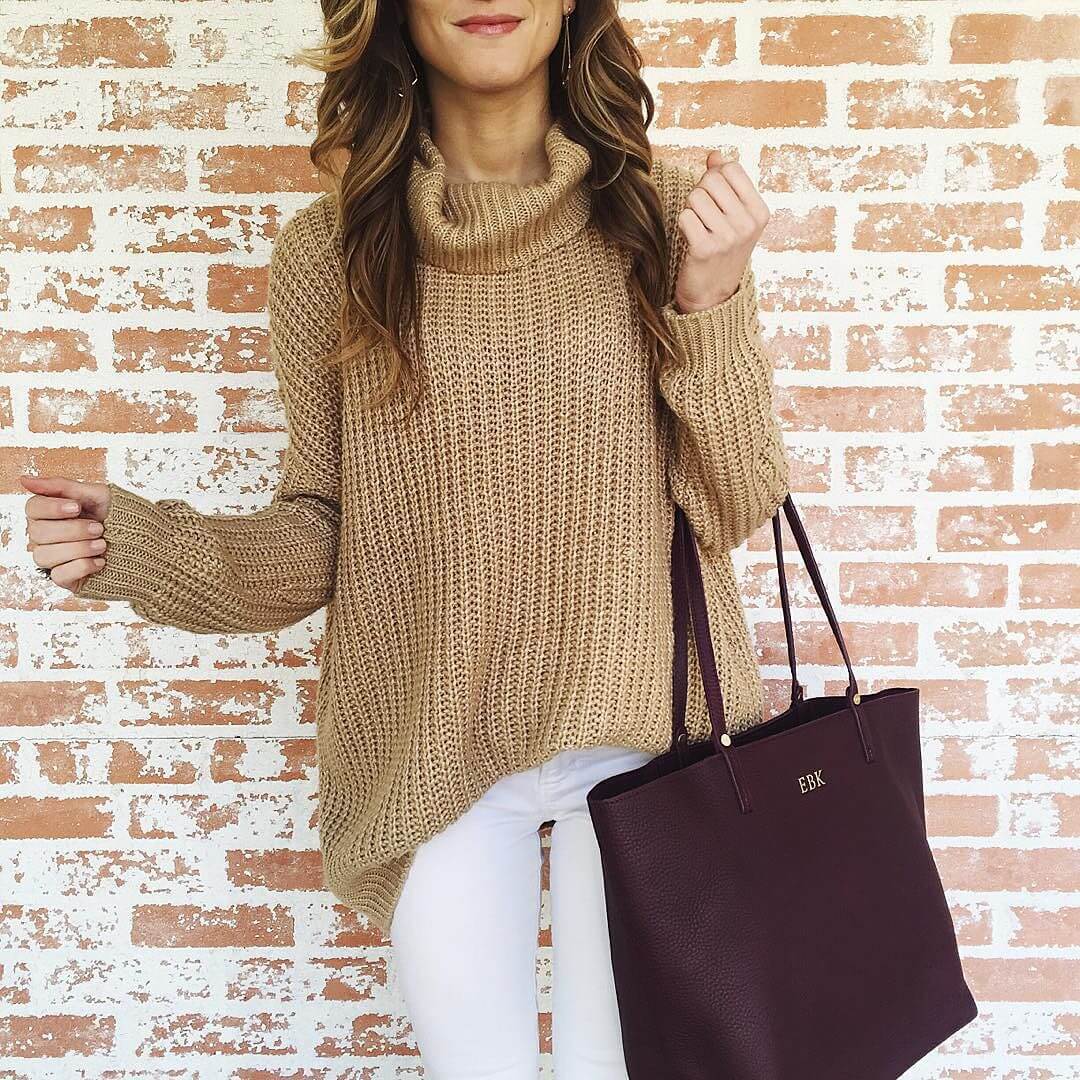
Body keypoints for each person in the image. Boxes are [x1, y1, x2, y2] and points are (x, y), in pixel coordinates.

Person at [20, 0, 789, 1075]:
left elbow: (737, 499)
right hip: (432, 749)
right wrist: (141, 548)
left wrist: (710, 299)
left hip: (648, 747)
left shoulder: (669, 218)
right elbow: (324, 535)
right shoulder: (331, 250)